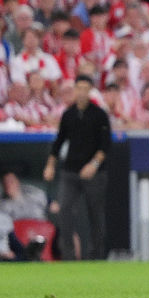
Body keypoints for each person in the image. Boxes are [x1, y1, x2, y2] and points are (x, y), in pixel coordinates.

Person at [43, 74, 112, 261]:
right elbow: (59, 142)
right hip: (71, 170)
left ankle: (96, 256)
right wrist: (50, 165)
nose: (81, 92)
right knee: (64, 209)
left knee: (95, 214)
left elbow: (105, 145)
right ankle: (69, 256)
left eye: (85, 89)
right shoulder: (69, 114)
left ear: (90, 91)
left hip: (94, 172)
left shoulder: (99, 115)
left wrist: (94, 164)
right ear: (74, 90)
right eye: (78, 88)